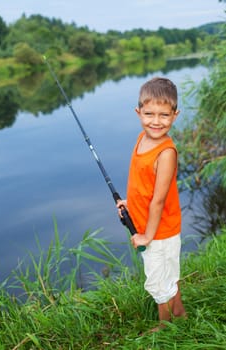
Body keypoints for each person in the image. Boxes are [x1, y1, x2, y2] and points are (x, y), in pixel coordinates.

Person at [117, 77, 186, 332]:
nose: (156, 121)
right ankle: (178, 313)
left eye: (164, 115)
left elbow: (158, 200)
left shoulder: (166, 152)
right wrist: (130, 202)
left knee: (159, 280)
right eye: (149, 114)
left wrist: (147, 235)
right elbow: (142, 183)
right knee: (167, 274)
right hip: (151, 224)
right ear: (138, 112)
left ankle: (166, 327)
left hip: (161, 229)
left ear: (175, 115)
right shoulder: (142, 139)